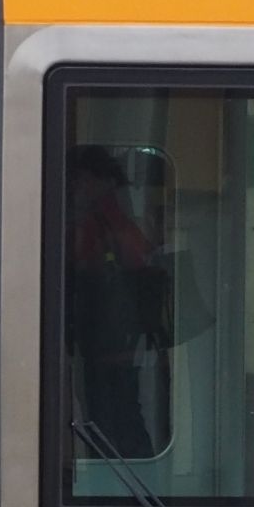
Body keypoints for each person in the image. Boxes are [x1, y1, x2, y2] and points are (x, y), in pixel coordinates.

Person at [65, 146, 161, 457]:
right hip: (123, 340)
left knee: (107, 417)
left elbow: (78, 261)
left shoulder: (100, 220)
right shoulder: (122, 218)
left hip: (103, 340)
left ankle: (109, 484)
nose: (78, 188)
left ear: (99, 180)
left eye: (82, 181)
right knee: (126, 413)